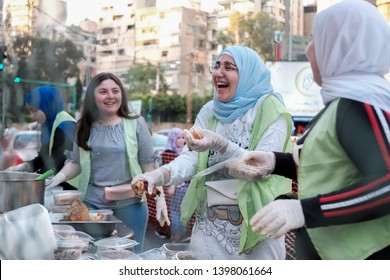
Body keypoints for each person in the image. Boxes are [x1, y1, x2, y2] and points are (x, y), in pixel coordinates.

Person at [226, 0, 390, 260]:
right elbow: (327, 165)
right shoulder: (343, 103)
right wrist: (274, 162)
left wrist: (305, 211)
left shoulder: (358, 105)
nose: (309, 51)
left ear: (339, 47)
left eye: (315, 41)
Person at [132, 45, 293, 259]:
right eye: (216, 66)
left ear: (247, 74)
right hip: (210, 229)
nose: (218, 73)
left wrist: (221, 145)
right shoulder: (210, 110)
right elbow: (191, 158)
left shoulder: (270, 109)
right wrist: (158, 175)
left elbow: (261, 166)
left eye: (229, 67)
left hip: (256, 228)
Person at [46, 72, 170, 253]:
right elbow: (75, 161)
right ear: (92, 97)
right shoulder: (83, 126)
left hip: (131, 205)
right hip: (92, 207)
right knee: (94, 258)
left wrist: (160, 197)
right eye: (103, 91)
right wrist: (58, 177)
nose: (111, 96)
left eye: (115, 91)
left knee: (130, 260)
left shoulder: (136, 123)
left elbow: (148, 164)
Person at [6, 86, 78, 190]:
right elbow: (44, 157)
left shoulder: (64, 125)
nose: (31, 115)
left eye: (34, 110)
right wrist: (24, 167)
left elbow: (58, 160)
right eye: (29, 111)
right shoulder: (49, 125)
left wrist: (33, 178)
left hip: (72, 187)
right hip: (59, 185)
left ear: (47, 106)